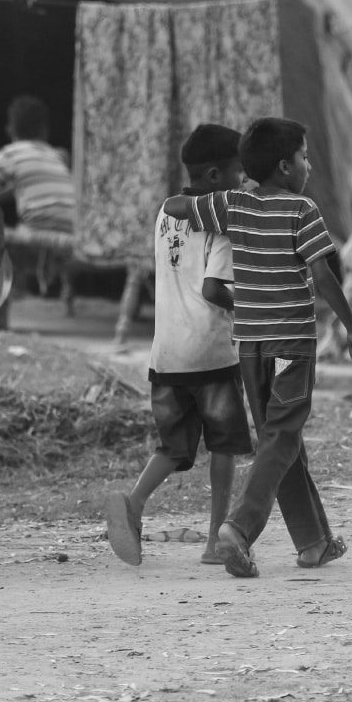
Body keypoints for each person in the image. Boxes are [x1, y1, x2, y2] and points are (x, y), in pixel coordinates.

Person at [161, 117, 352, 579]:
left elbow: (175, 206)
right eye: (304, 157)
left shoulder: (233, 204)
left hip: (251, 346)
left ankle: (314, 543)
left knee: (280, 439)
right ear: (284, 167)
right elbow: (323, 275)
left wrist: (204, 199)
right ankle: (238, 527)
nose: (308, 165)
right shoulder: (301, 210)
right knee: (281, 437)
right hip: (292, 343)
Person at [104, 124, 251, 567]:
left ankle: (134, 502)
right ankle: (214, 541)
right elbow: (212, 290)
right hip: (211, 353)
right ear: (212, 177)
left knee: (174, 446)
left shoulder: (166, 213)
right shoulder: (222, 229)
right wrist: (242, 310)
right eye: (238, 174)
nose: (242, 184)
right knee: (223, 446)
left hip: (166, 354)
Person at [0, 95, 77, 240]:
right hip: (74, 228)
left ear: (10, 130)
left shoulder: (11, 153)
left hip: (39, 229)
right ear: (45, 131)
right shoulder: (56, 155)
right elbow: (19, 187)